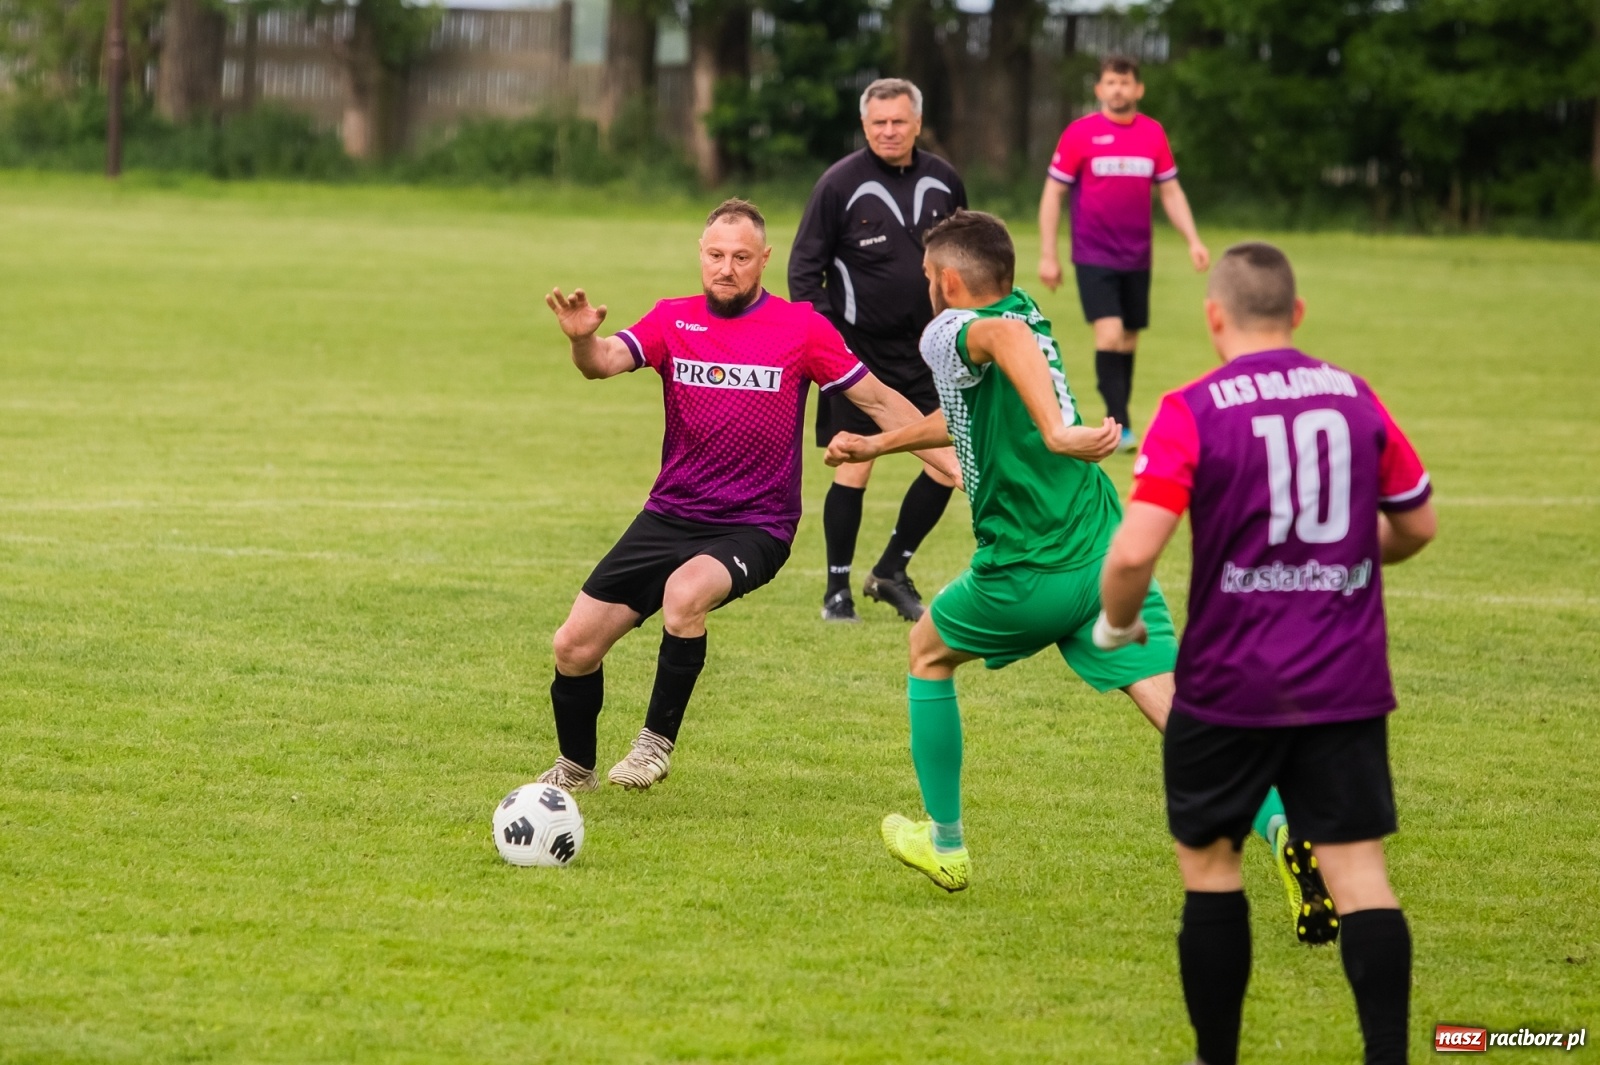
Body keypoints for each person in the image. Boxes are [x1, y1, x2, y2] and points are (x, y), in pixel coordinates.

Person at [827, 214, 1321, 937]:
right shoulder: (1027, 308)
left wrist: (1059, 433)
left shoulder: (957, 330)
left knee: (927, 654)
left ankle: (947, 846)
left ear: (952, 282)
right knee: (1180, 711)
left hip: (1025, 572)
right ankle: (1282, 827)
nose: (924, 286)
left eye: (929, 275)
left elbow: (998, 345)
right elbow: (968, 412)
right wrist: (880, 440)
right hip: (1106, 557)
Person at [1096, 242, 1436, 1065]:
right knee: (1360, 877)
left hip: (1227, 686)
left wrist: (1115, 626)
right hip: (1345, 681)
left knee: (1212, 871)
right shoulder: (1355, 397)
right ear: (1299, 315)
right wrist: (1344, 555)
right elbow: (1418, 524)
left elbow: (1135, 551)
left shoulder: (1191, 408)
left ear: (1215, 317)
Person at [538, 199, 958, 792]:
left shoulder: (801, 328)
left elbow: (882, 401)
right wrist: (583, 341)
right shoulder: (671, 319)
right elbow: (602, 362)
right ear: (700, 256)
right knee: (573, 646)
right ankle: (575, 770)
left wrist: (955, 464)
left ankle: (654, 745)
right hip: (669, 513)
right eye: (715, 255)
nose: (726, 268)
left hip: (757, 524)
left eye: (740, 257)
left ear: (764, 260)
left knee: (686, 595)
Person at [790, 77, 968, 624]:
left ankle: (891, 570)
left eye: (898, 121)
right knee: (854, 464)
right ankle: (836, 591)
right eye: (878, 123)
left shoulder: (945, 180)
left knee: (949, 462)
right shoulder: (838, 184)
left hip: (930, 352)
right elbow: (803, 270)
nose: (889, 131)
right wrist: (828, 344)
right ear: (864, 126)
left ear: (917, 122)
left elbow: (968, 257)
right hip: (857, 352)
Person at [1038, 54, 1209, 453]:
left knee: (1128, 340)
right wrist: (1049, 254)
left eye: (1125, 82)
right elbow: (1053, 193)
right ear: (1099, 89)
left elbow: (1170, 191)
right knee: (1110, 333)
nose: (1118, 89)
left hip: (1137, 257)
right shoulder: (1080, 134)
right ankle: (1122, 426)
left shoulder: (1152, 134)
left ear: (1138, 89)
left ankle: (1122, 415)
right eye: (1110, 83)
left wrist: (1193, 240)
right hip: (1093, 254)